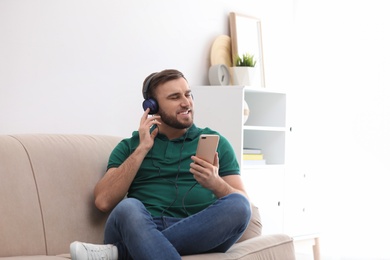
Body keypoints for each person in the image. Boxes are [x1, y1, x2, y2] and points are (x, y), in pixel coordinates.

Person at [70, 69, 251, 260]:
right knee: (128, 207)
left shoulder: (217, 143)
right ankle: (143, 244)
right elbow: (103, 201)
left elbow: (243, 203)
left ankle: (123, 253)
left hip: (200, 230)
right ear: (152, 107)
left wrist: (215, 183)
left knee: (239, 205)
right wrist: (142, 149)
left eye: (188, 94)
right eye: (175, 97)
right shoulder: (130, 146)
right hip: (142, 226)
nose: (186, 102)